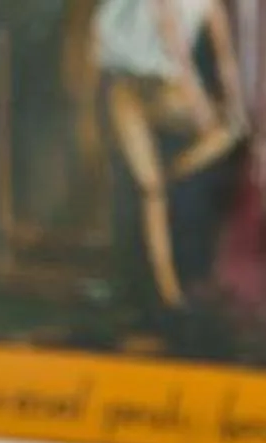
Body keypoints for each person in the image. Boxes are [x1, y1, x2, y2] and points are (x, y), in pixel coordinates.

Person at [93, 0, 245, 311]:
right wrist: (198, 102)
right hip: (129, 87)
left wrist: (233, 101)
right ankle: (167, 292)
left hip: (164, 87)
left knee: (232, 129)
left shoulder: (212, 6)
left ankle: (173, 177)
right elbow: (174, 44)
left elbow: (225, 58)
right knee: (151, 190)